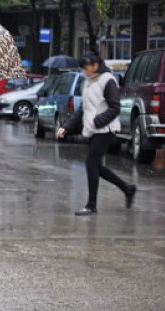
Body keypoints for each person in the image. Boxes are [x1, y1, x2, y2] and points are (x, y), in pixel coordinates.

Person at [58, 53, 136, 216]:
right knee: (97, 167)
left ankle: (91, 205)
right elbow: (82, 109)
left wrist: (97, 121)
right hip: (94, 130)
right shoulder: (87, 82)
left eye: (86, 67)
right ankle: (127, 189)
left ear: (95, 65)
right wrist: (66, 127)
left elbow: (115, 107)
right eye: (83, 68)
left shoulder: (107, 80)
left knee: (90, 163)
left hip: (105, 130)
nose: (84, 71)